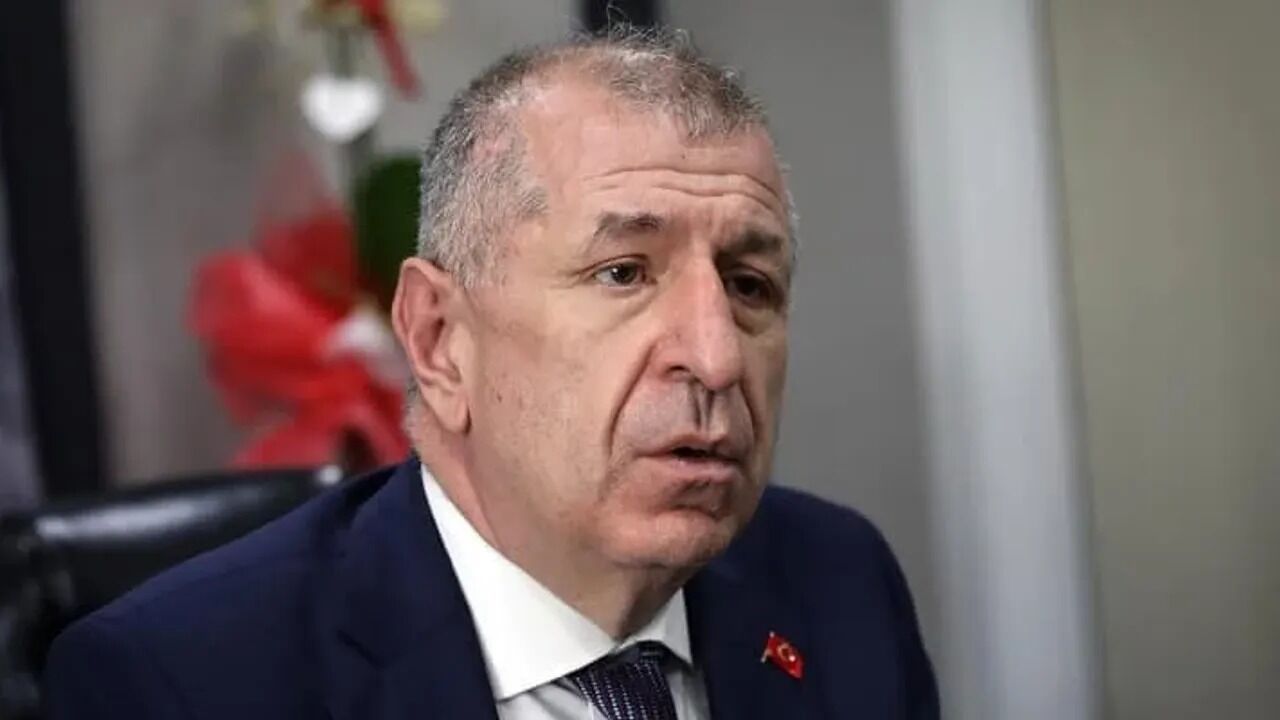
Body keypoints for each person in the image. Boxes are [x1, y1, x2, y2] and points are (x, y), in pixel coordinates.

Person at [45, 29, 938, 719]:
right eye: (622, 273)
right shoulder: (180, 684)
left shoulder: (837, 581)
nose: (715, 357)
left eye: (749, 285)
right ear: (439, 341)